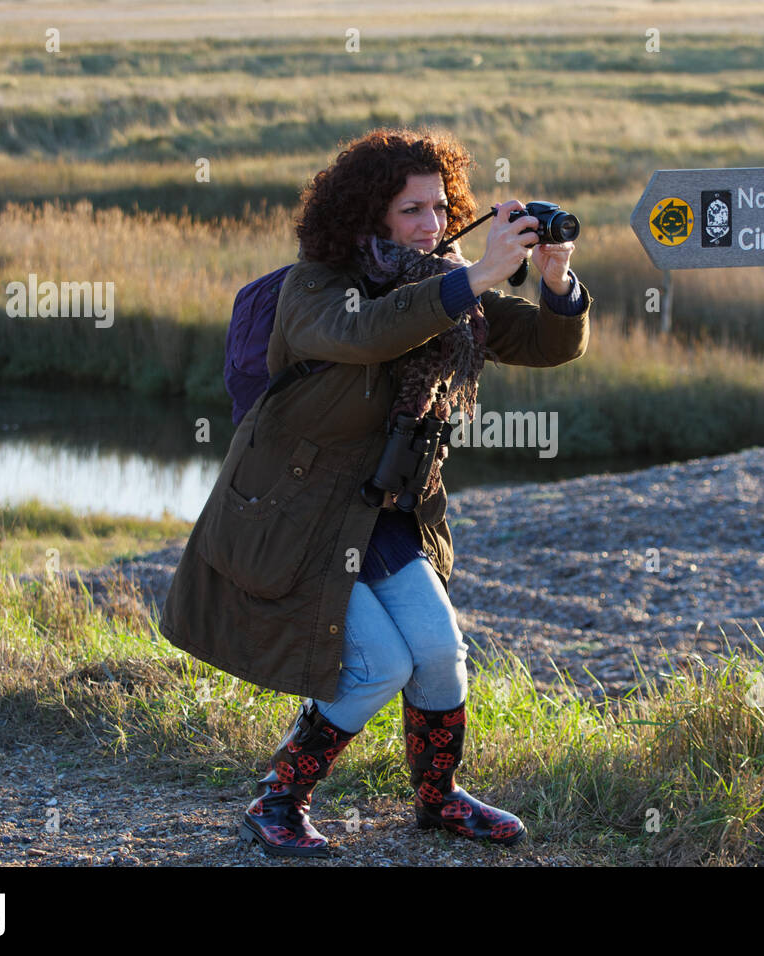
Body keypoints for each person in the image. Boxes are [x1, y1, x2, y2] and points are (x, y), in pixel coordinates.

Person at [159, 126, 591, 858]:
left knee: (440, 652)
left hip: (383, 510)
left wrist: (554, 279)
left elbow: (548, 344)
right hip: (296, 513)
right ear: (368, 218)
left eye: (440, 207)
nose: (432, 224)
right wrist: (477, 276)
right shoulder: (316, 288)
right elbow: (370, 333)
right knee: (379, 665)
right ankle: (278, 800)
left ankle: (438, 799)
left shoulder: (448, 284)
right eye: (411, 211)